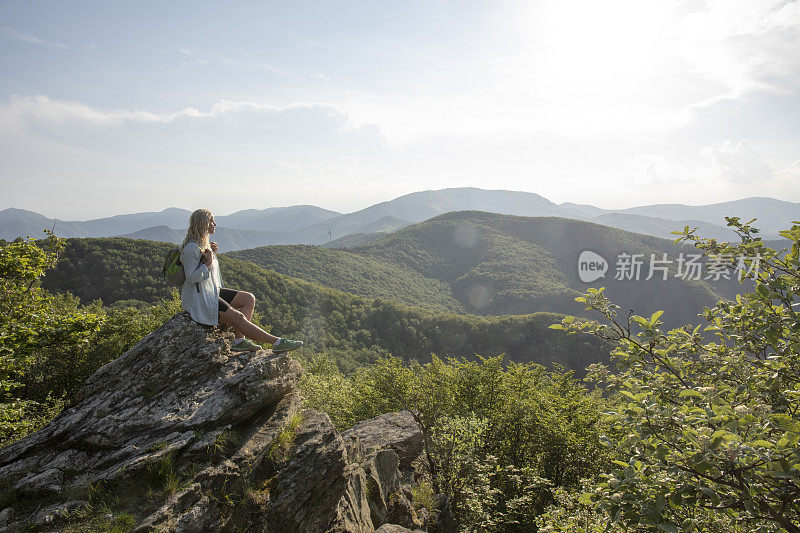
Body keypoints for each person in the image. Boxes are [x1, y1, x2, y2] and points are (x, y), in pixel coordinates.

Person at [179, 208, 303, 353]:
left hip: (211, 292)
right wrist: (207, 264)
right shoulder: (191, 248)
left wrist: (213, 255)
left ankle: (239, 340)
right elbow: (191, 277)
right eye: (212, 220)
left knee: (248, 298)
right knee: (239, 318)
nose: (215, 224)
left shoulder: (202, 245)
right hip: (201, 299)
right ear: (203, 223)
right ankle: (277, 342)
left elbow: (210, 273)